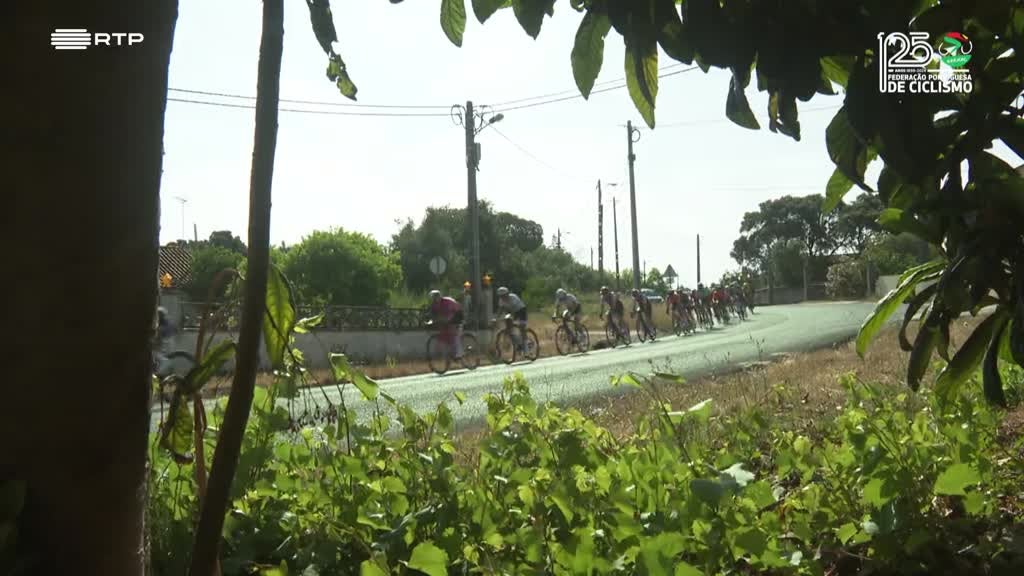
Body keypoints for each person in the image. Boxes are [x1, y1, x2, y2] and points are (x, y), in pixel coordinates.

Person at [428, 289, 464, 359]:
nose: (434, 300)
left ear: (439, 297)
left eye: (435, 297)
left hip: (457, 315)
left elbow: (450, 316)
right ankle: (451, 352)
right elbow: (432, 315)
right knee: (445, 331)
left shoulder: (446, 302)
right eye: (433, 298)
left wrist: (441, 320)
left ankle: (459, 354)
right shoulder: (434, 304)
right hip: (448, 317)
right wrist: (430, 321)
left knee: (455, 335)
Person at [495, 286, 528, 351]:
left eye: (504, 295)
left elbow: (513, 310)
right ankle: (516, 341)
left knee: (522, 327)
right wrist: (496, 318)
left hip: (520, 310)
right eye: (501, 296)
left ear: (507, 294)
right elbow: (500, 310)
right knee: (508, 328)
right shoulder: (501, 300)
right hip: (511, 311)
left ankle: (526, 347)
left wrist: (510, 317)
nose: (503, 297)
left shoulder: (513, 297)